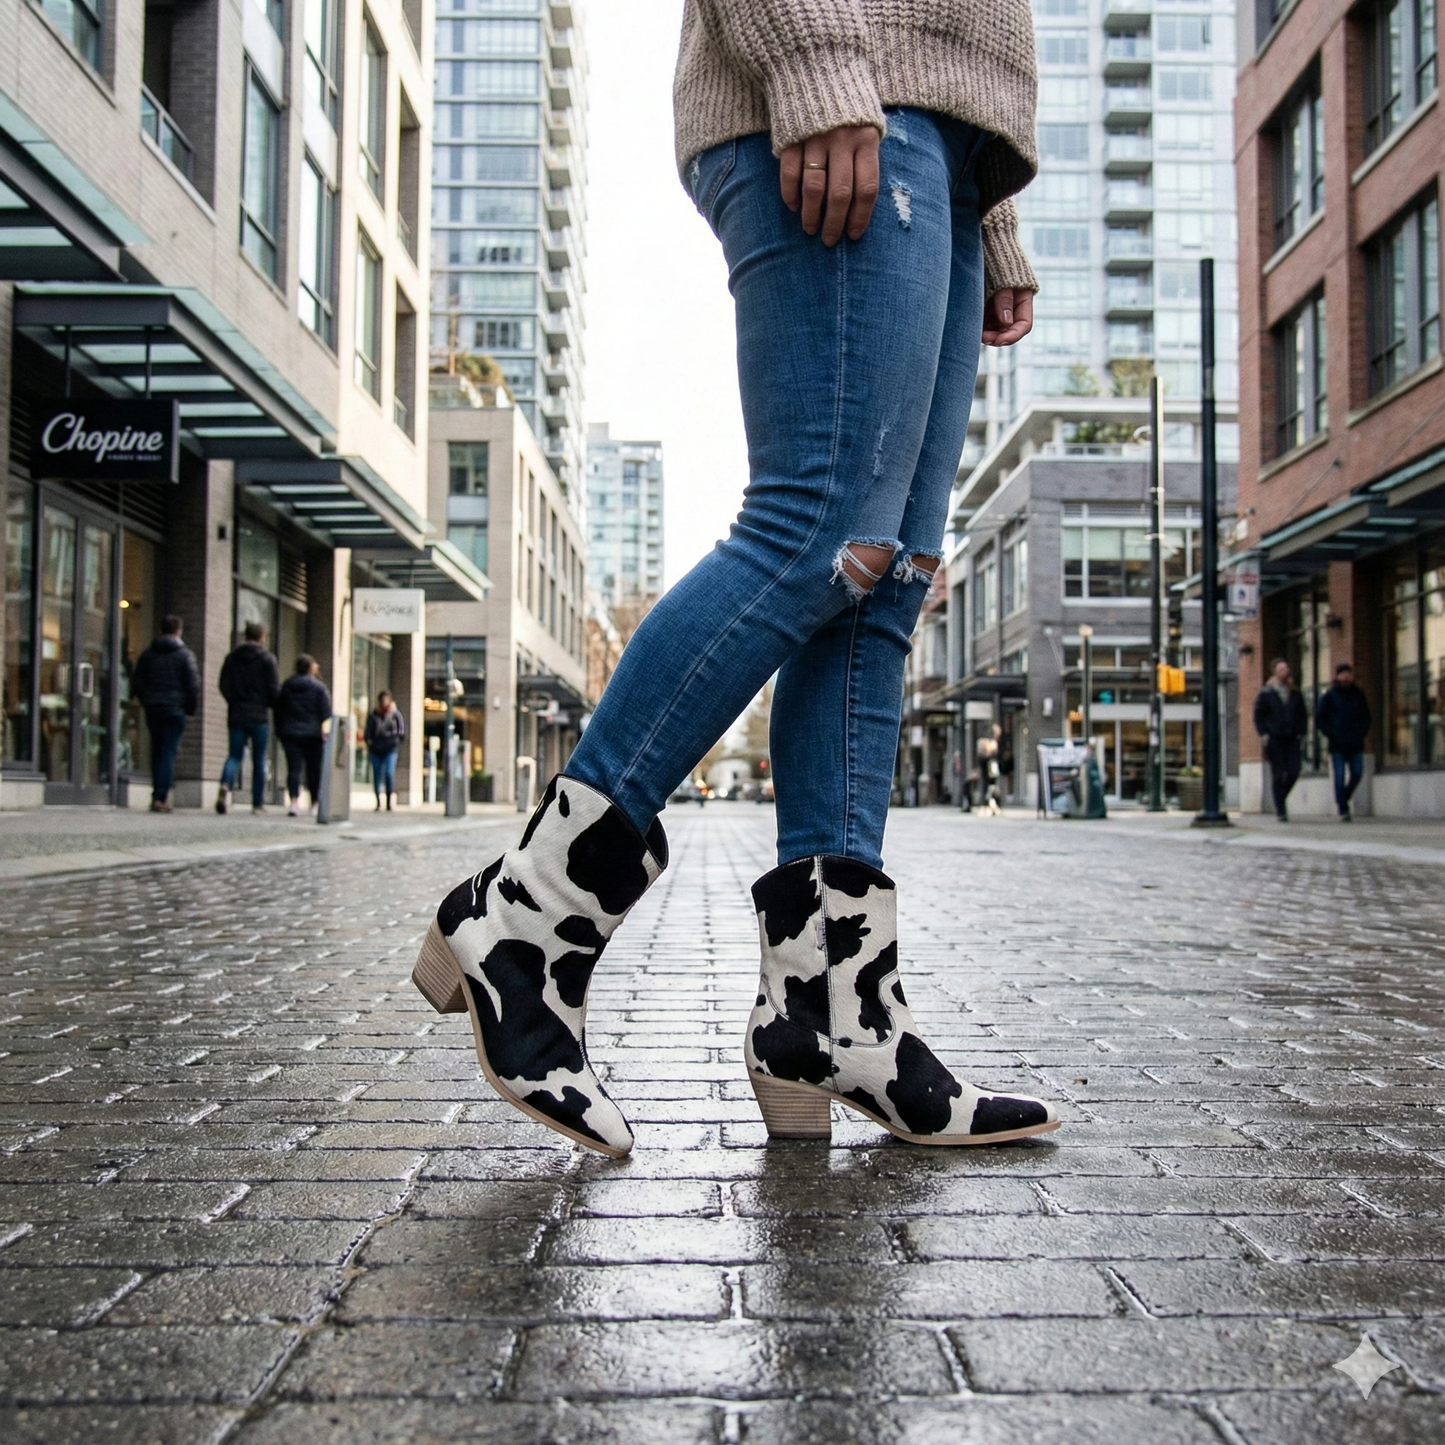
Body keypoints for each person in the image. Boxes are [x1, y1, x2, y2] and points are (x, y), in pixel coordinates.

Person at [406, 0, 1059, 1157]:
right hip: (841, 90)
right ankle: (522, 918)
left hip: (946, 150)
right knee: (817, 532)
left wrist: (990, 214)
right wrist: (808, 57)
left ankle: (832, 1016)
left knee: (884, 583)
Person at [130, 614, 199, 813]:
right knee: (168, 752)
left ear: (161, 630)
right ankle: (161, 796)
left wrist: (146, 700)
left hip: (154, 708)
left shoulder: (148, 654)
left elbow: (138, 682)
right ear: (179, 631)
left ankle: (157, 794)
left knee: (157, 750)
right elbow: (193, 684)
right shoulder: (185, 655)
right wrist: (189, 709)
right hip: (175, 709)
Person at [217, 621, 280, 814]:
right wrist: (267, 704)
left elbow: (223, 684)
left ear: (245, 636)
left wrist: (234, 701)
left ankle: (225, 785)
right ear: (262, 637)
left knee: (234, 755)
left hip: (237, 713)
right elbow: (273, 689)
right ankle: (257, 803)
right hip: (259, 715)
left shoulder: (232, 658)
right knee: (259, 758)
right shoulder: (267, 659)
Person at [275, 655, 331, 817]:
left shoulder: (287, 685)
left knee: (294, 768)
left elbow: (279, 709)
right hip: (313, 735)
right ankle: (314, 803)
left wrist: (281, 730)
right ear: (311, 669)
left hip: (291, 734)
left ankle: (293, 802)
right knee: (314, 770)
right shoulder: (319, 688)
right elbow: (326, 712)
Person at [1254, 658, 1309, 822]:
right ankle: (1281, 810)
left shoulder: (1295, 692)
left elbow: (1302, 714)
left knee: (1294, 771)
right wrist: (1264, 733)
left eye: (1286, 668)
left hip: (1292, 737)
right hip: (1275, 738)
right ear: (1275, 672)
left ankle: (1280, 798)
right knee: (1278, 774)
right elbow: (1258, 715)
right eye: (1281, 669)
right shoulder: (1266, 693)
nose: (1285, 671)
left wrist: (1301, 732)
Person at [1315, 662, 1372, 821]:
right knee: (1339, 776)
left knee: (1357, 773)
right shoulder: (1330, 695)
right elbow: (1320, 718)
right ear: (1338, 676)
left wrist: (1362, 732)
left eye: (1348, 674)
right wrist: (1331, 733)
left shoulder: (1358, 695)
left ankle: (1344, 798)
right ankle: (1342, 808)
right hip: (1337, 743)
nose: (1346, 677)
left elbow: (1366, 716)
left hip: (1355, 742)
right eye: (1343, 674)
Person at [364, 691, 405, 811]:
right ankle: (378, 802)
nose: (384, 702)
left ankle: (389, 802)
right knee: (377, 775)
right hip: (376, 749)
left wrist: (395, 742)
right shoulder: (374, 715)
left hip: (390, 749)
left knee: (388, 773)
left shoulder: (395, 715)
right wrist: (369, 742)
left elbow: (401, 732)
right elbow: (368, 730)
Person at [976, 728, 1002, 816]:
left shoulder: (992, 757)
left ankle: (992, 808)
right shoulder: (984, 758)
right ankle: (989, 808)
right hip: (987, 779)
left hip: (991, 779)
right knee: (988, 793)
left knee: (992, 792)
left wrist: (996, 735)